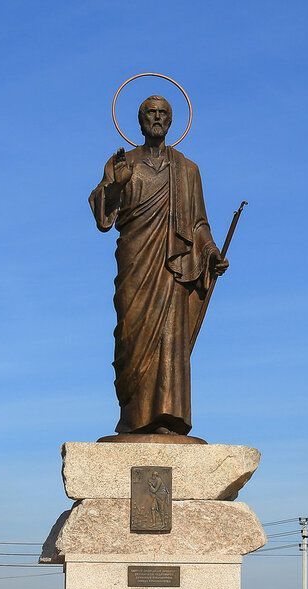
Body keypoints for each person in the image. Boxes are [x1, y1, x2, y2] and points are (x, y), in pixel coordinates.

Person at [89, 95, 227, 436]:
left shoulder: (187, 170)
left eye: (163, 113)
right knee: (131, 335)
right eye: (150, 113)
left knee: (169, 338)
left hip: (172, 267)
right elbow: (103, 217)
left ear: (171, 121)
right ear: (140, 121)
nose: (157, 118)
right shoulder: (124, 162)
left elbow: (198, 223)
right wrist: (116, 185)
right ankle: (133, 417)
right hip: (136, 262)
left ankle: (167, 416)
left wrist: (211, 252)